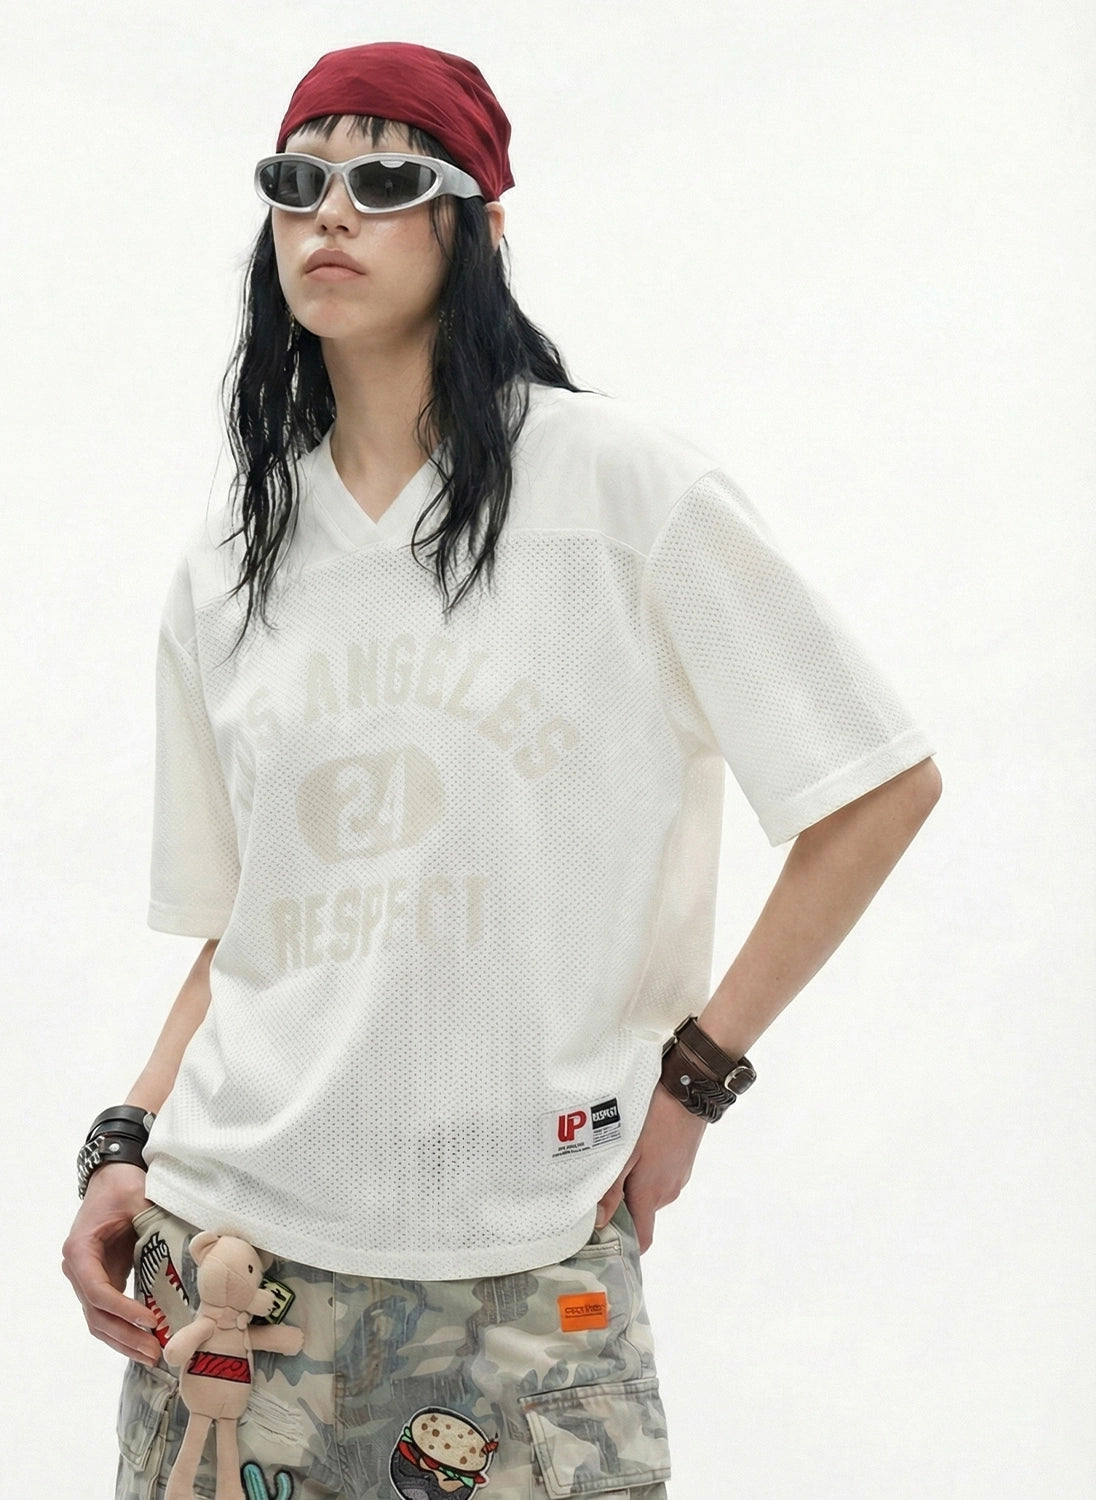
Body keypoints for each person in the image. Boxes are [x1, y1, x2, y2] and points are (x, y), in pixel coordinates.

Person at [61, 40, 941, 1500]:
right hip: (230, 1275)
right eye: (297, 180)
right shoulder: (229, 566)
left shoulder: (621, 493)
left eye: (384, 181)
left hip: (528, 1278)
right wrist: (120, 1143)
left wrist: (695, 1079)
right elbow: (246, 931)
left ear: (478, 226)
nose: (328, 214)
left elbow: (876, 785)